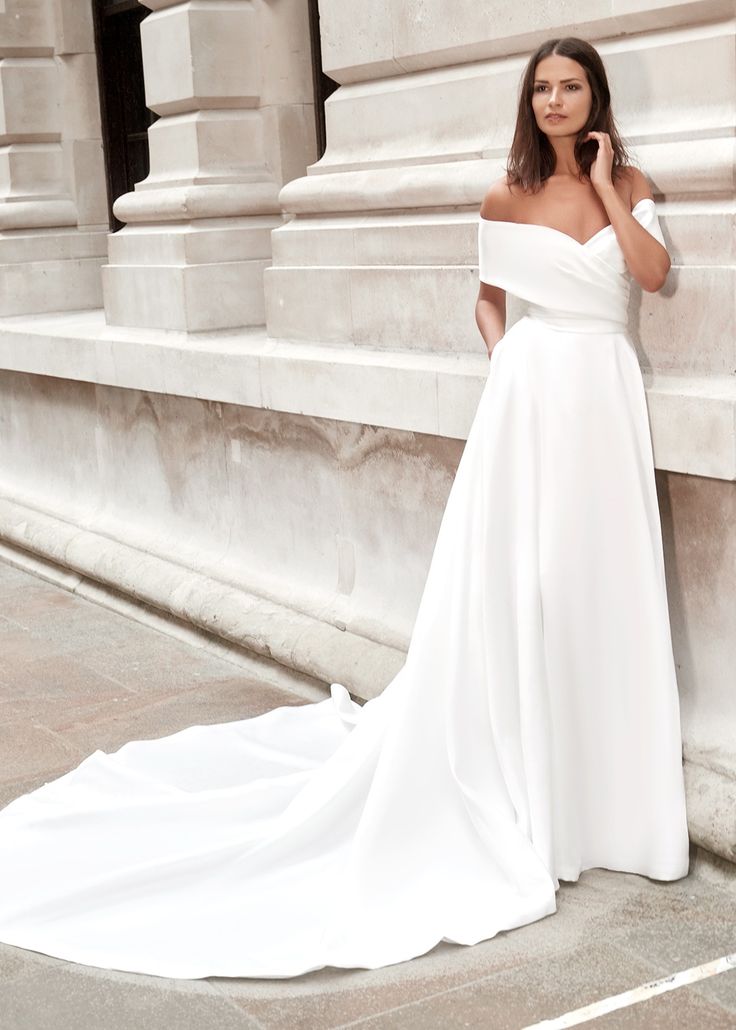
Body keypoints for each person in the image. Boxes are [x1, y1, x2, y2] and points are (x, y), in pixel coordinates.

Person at [0, 36, 689, 980]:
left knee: (600, 585)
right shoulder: (503, 196)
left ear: (595, 98)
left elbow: (649, 275)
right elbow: (488, 303)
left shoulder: (631, 179)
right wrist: (508, 369)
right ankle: (536, 789)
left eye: (572, 89)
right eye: (542, 90)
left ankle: (609, 799)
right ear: (527, 105)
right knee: (530, 584)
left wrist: (609, 181)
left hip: (604, 393)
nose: (556, 102)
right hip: (529, 406)